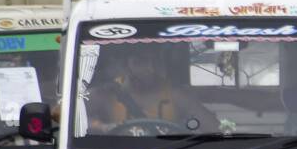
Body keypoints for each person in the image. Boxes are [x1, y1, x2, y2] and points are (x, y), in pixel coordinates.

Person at [89, 47, 218, 132]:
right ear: (124, 65)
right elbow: (75, 122)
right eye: (140, 61)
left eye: (154, 61)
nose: (150, 68)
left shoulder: (176, 94)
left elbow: (215, 130)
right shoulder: (104, 94)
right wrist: (101, 126)